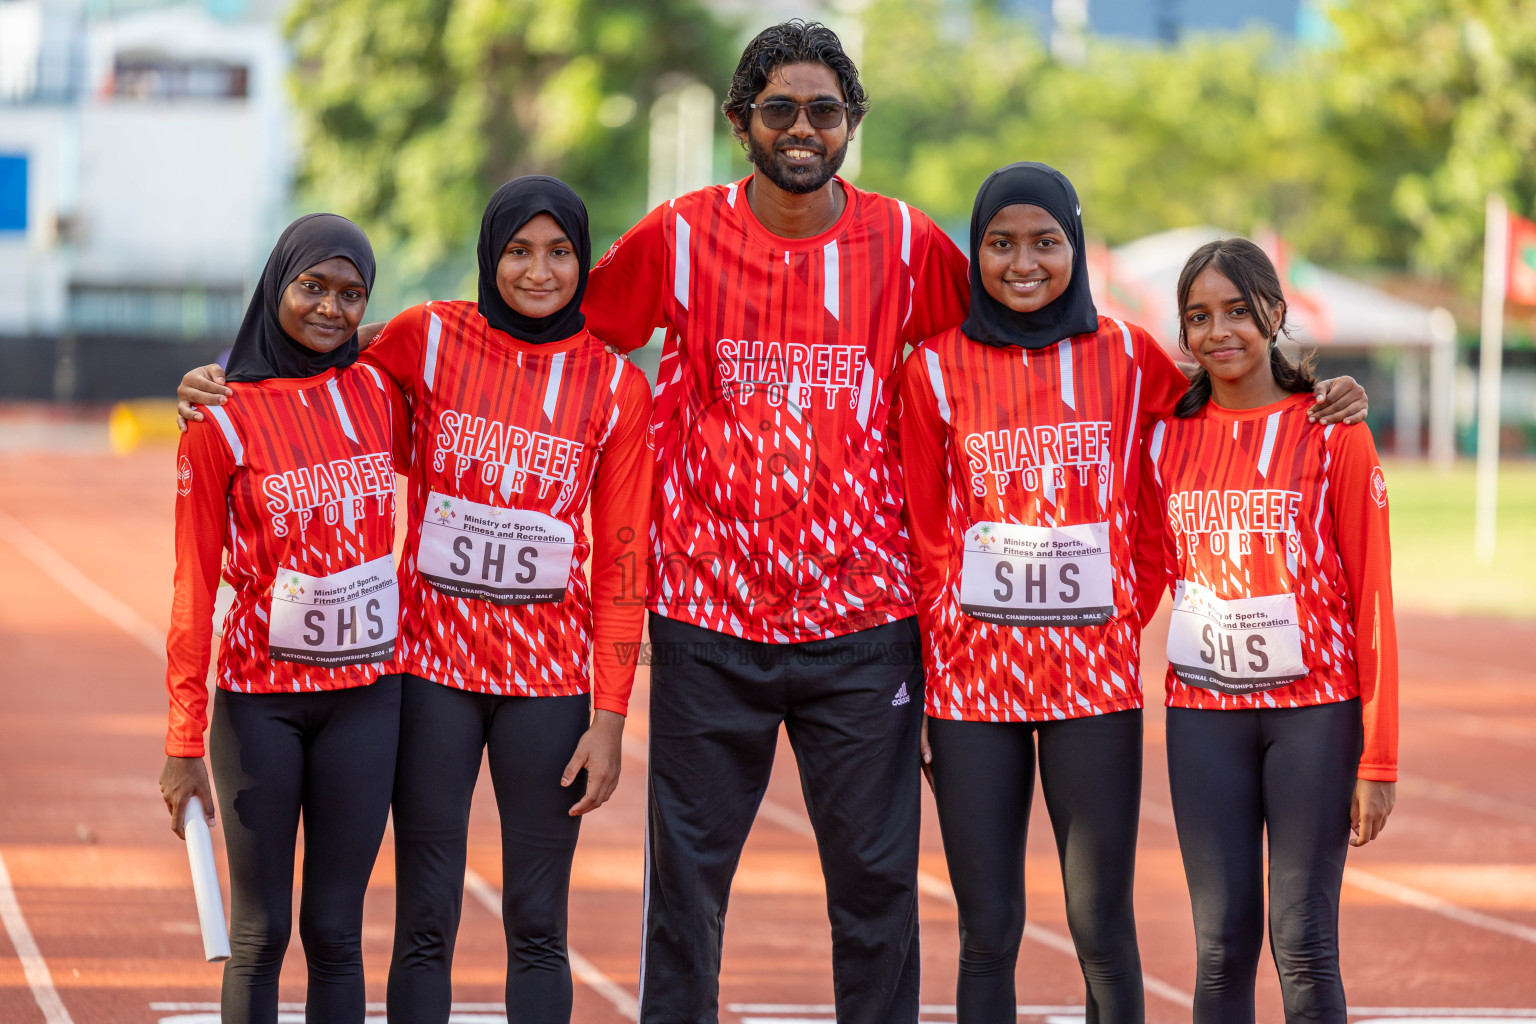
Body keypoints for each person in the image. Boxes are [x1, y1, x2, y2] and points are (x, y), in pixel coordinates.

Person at [173, 24, 1368, 1023]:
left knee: (877, 888)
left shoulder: (907, 244)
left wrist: (1305, 381)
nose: (803, 130)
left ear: (852, 121)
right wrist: (248, 377)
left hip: (867, 629)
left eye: (826, 111)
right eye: (780, 110)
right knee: (686, 892)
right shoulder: (683, 236)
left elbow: (1049, 323)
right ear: (743, 119)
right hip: (706, 624)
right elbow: (544, 313)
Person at [896, 165, 1369, 1024]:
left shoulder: (1125, 354)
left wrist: (1322, 385)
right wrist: (943, 655)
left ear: (1075, 245)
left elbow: (1219, 411)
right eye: (1000, 245)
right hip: (971, 691)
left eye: (1046, 242)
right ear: (977, 254)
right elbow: (926, 534)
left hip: (1093, 685)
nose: (1024, 262)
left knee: (1101, 927)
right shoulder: (930, 368)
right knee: (987, 928)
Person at [360, 176, 652, 1024]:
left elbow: (624, 556)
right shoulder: (431, 336)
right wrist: (221, 377)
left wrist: (610, 718)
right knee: (424, 917)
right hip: (431, 673)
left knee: (537, 924)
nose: (538, 272)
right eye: (519, 251)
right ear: (491, 256)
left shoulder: (613, 387)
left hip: (549, 688)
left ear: (584, 260)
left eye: (560, 252)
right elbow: (324, 367)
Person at [158, 213, 407, 1024]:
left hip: (368, 696)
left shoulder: (382, 389)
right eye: (312, 287)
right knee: (260, 935)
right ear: (276, 286)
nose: (331, 308)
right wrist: (181, 742)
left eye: (351, 293)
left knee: (337, 931)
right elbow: (193, 588)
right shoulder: (219, 418)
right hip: (259, 704)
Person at [1145, 237, 1397, 1024]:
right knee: (1220, 947)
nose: (1218, 331)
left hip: (1313, 716)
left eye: (1236, 311)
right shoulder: (1166, 434)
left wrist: (1379, 756)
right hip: (1202, 715)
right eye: (1197, 316)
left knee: (1304, 941)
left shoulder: (1331, 429)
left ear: (1276, 315)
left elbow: (1374, 596)